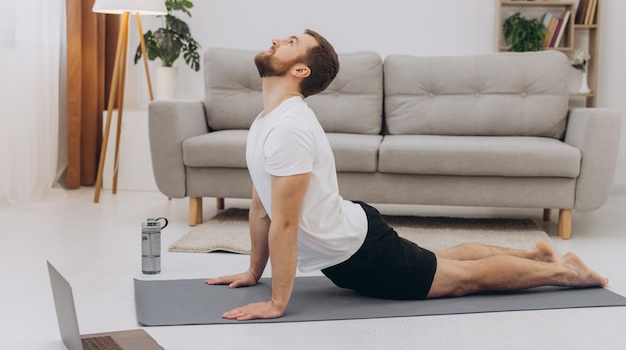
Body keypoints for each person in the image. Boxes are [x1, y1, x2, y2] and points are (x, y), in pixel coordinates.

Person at [205, 29, 608, 321]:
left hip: (358, 253)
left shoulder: (288, 127)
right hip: (353, 236)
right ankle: (532, 255)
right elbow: (262, 205)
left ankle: (564, 273)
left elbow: (286, 223)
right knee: (439, 261)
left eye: (290, 43)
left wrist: (276, 303)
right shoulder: (266, 121)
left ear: (300, 71)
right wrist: (253, 271)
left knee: (462, 280)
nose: (277, 39)